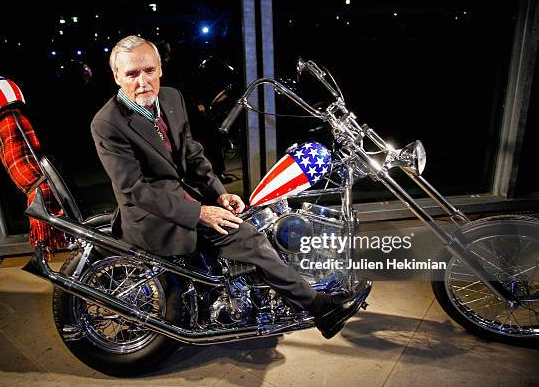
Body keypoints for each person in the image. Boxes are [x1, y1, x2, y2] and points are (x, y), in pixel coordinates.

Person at [90, 35, 371, 339]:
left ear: (160, 69)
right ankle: (320, 308)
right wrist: (200, 212)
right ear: (117, 77)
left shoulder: (170, 98)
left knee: (262, 217)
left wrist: (219, 192)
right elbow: (135, 189)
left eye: (148, 70)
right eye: (132, 74)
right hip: (154, 217)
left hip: (188, 199)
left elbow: (192, 153)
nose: (142, 81)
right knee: (248, 236)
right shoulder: (107, 123)